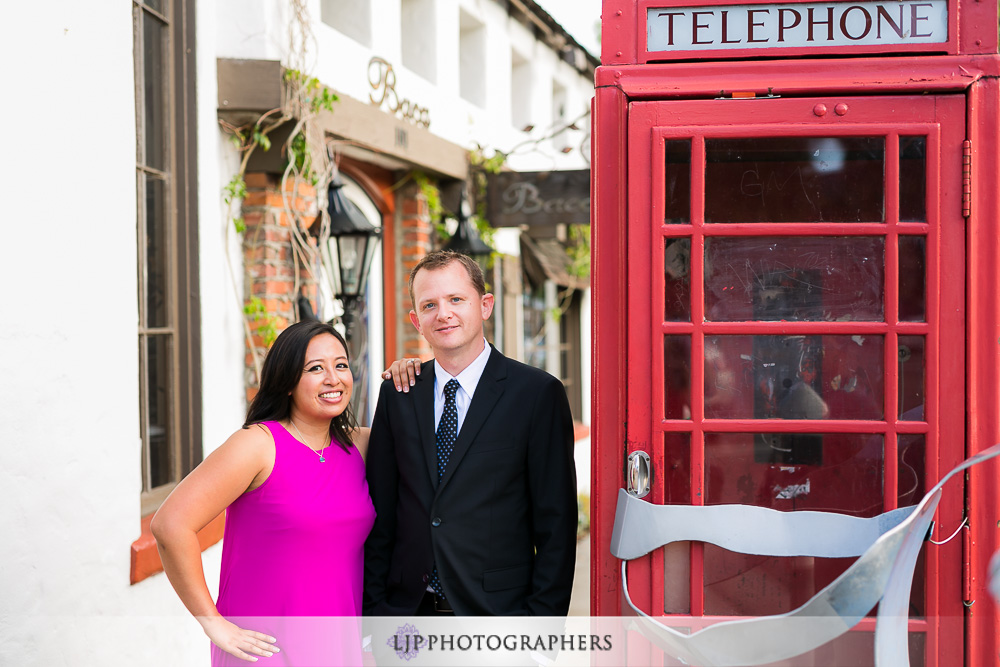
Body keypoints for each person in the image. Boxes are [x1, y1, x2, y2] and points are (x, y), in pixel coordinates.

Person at [363, 250, 578, 616]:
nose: (443, 313)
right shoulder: (398, 393)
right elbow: (380, 512)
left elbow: (556, 522)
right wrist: (375, 614)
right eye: (429, 304)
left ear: (485, 305)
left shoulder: (536, 393)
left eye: (456, 299)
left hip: (499, 617)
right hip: (406, 617)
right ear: (416, 320)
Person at [152, 321, 376, 665]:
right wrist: (213, 623)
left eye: (341, 365)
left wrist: (408, 372)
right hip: (266, 651)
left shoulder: (360, 446)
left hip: (339, 648)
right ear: (286, 382)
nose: (333, 378)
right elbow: (170, 525)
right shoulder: (258, 445)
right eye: (315, 368)